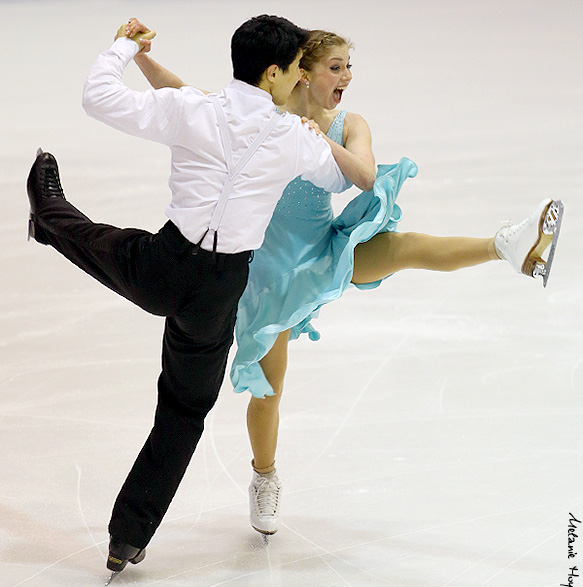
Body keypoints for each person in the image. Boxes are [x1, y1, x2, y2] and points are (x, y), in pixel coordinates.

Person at [128, 22, 564, 539]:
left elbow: (365, 175)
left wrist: (317, 140)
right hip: (267, 275)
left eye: (348, 66)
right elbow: (188, 98)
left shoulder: (348, 124)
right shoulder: (263, 115)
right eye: (335, 67)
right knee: (269, 388)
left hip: (325, 251)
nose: (347, 77)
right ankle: (263, 476)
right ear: (301, 73)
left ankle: (509, 247)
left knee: (402, 248)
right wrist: (141, 59)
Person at [25, 15, 362, 580]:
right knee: (183, 413)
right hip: (217, 293)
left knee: (89, 237)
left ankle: (45, 210)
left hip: (162, 265)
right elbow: (339, 181)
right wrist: (319, 127)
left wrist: (124, 47)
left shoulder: (192, 108)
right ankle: (126, 539)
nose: (304, 79)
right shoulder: (289, 138)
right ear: (275, 73)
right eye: (300, 70)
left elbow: (98, 97)